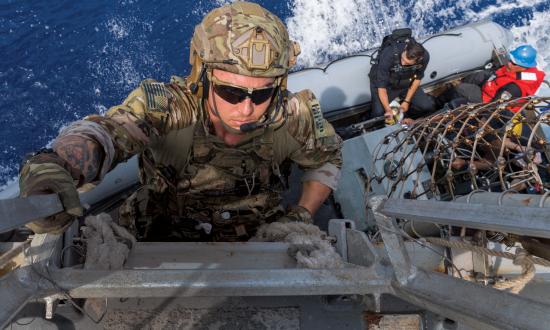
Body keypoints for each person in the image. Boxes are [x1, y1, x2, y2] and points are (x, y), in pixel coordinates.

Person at [18, 2, 343, 242]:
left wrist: (301, 214)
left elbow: (326, 157)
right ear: (203, 76)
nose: (246, 109)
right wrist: (60, 165)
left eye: (261, 95)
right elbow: (109, 131)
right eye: (231, 91)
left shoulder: (292, 116)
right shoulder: (169, 109)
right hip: (157, 232)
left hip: (254, 237)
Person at [439, 45, 546, 111]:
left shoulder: (513, 89)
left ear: (524, 67)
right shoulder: (516, 69)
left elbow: (494, 107)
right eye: (510, 60)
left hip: (488, 100)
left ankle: (438, 103)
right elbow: (502, 74)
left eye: (513, 63)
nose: (508, 64)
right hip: (493, 85)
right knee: (479, 76)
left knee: (461, 89)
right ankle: (457, 86)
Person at [368, 34, 436, 122]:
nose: (403, 63)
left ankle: (407, 118)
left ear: (419, 60)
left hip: (406, 83)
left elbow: (417, 79)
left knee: (427, 107)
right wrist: (388, 110)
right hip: (386, 85)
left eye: (407, 63)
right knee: (378, 113)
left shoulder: (425, 57)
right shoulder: (389, 54)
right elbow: (381, 88)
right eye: (402, 59)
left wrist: (407, 101)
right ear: (405, 48)